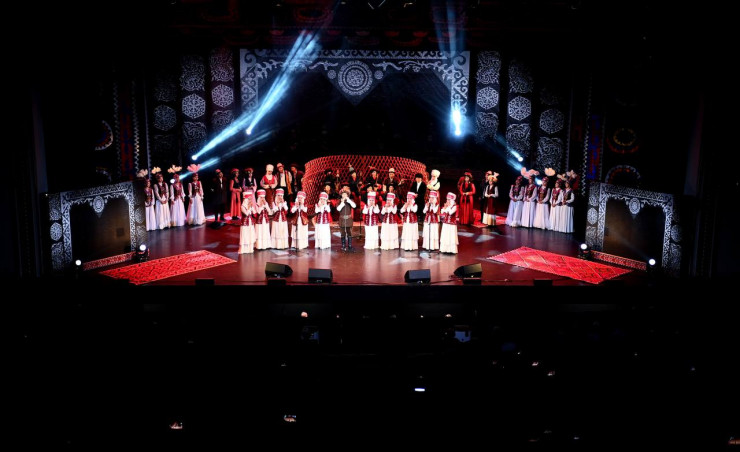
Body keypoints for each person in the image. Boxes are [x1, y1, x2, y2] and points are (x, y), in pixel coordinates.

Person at [337, 183, 356, 250]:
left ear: (347, 195)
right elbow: (338, 209)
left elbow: (354, 206)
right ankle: (343, 245)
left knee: (349, 232)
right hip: (342, 219)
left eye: (345, 194)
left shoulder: (350, 201)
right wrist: (342, 203)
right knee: (342, 233)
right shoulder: (339, 201)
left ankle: (349, 245)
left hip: (348, 219)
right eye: (343, 194)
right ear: (341, 195)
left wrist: (348, 200)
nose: (344, 195)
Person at [238, 190, 256, 254]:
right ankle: (244, 249)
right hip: (245, 224)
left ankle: (250, 249)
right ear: (245, 199)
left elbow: (255, 213)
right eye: (249, 199)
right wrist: (249, 207)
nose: (250, 200)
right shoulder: (242, 206)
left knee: (250, 235)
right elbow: (246, 213)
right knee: (245, 236)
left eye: (251, 199)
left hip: (250, 223)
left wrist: (253, 207)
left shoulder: (250, 206)